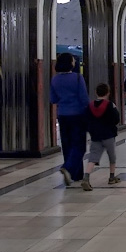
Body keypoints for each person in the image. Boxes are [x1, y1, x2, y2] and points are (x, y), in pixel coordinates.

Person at [50, 52, 89, 187]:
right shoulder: (78, 78)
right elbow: (84, 99)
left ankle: (75, 175)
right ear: (70, 63)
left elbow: (53, 99)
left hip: (62, 115)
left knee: (67, 145)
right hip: (78, 115)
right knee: (79, 146)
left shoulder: (54, 79)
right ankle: (68, 168)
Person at [81, 83, 121, 190]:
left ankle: (86, 178)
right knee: (112, 156)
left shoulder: (90, 106)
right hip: (108, 135)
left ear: (96, 93)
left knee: (93, 157)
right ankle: (112, 177)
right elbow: (116, 119)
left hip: (95, 136)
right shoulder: (110, 105)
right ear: (108, 93)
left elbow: (86, 120)